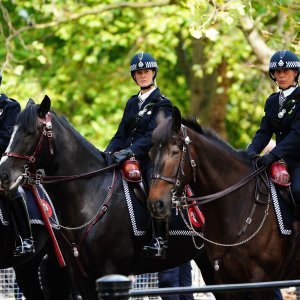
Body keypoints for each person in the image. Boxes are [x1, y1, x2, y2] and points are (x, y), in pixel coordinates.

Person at [105, 52, 173, 258]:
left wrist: (130, 152)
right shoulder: (131, 103)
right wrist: (107, 153)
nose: (143, 75)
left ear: (153, 73)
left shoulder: (163, 103)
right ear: (134, 76)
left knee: (156, 191)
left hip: (150, 158)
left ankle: (159, 239)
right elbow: (121, 133)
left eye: (146, 71)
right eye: (138, 72)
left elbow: (155, 136)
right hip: (125, 155)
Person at [247, 49, 300, 213]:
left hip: (298, 161)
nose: (282, 75)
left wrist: (273, 155)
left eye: (286, 71)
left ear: (296, 73)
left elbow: (297, 134)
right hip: (277, 161)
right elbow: (264, 132)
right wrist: (249, 153)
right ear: (273, 75)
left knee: (298, 191)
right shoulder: (272, 102)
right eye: (278, 71)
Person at [0, 70, 34, 256]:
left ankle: (26, 238)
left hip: (4, 161)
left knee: (11, 188)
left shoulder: (9, 106)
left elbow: (5, 138)